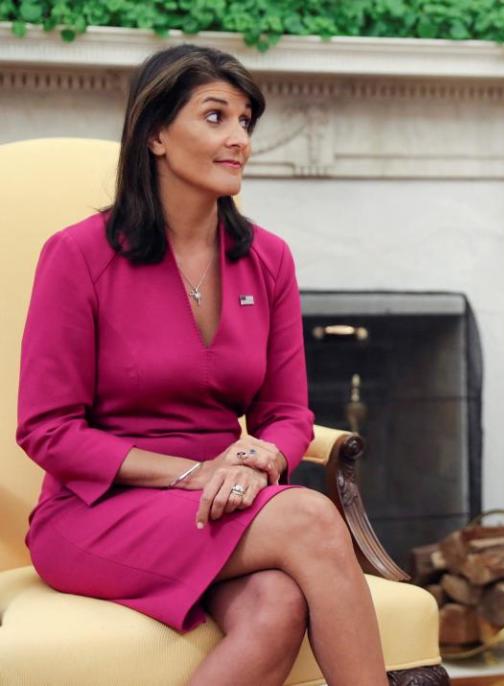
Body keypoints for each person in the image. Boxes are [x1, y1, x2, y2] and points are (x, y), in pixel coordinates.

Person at [17, 44, 388, 686]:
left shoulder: (267, 258)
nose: (238, 138)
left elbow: (285, 412)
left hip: (223, 498)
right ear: (156, 134)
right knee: (306, 514)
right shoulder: (79, 254)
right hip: (98, 511)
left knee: (278, 605)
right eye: (215, 117)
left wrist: (261, 458)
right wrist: (194, 474)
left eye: (246, 121)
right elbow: (46, 430)